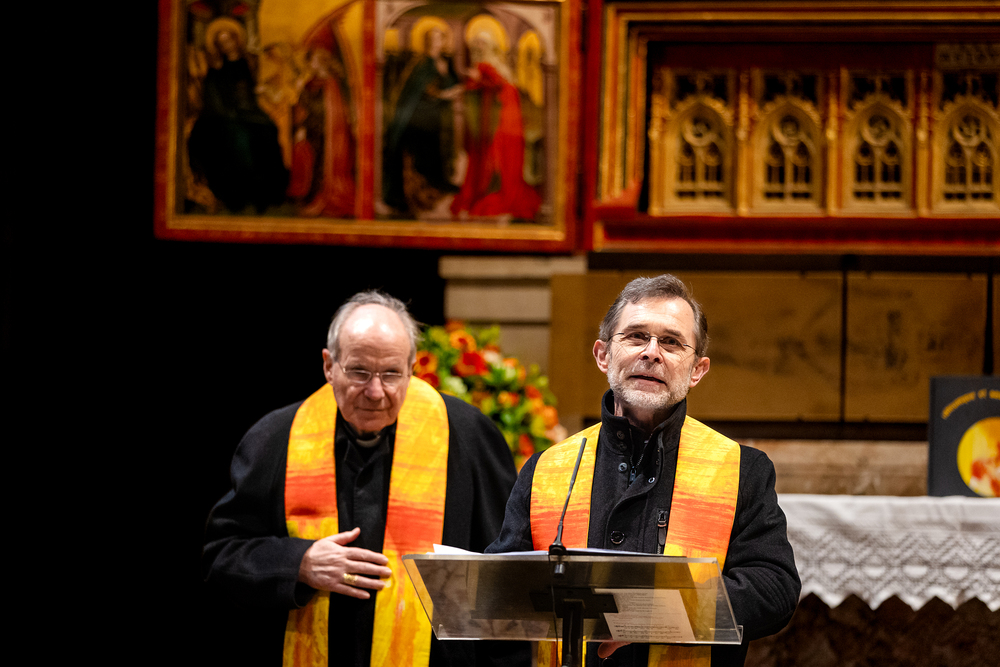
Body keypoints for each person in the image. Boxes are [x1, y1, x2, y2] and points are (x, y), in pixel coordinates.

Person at [486, 275, 801, 666]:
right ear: (603, 355)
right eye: (636, 336)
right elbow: (498, 591)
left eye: (671, 342)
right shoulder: (546, 469)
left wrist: (653, 613)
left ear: (697, 370)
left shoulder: (740, 469)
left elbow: (774, 589)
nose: (652, 353)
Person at [204, 291, 527, 667]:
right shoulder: (277, 439)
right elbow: (223, 555)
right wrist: (298, 563)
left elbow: (506, 575)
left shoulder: (468, 437)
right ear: (329, 366)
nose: (375, 392)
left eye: (391, 374)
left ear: (412, 369)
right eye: (359, 372)